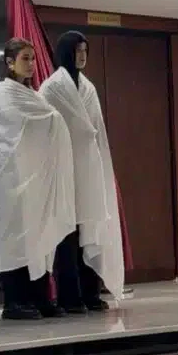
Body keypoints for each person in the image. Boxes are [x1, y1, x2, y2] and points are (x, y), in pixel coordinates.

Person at [0, 39, 75, 321]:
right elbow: (22, 122)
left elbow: (47, 120)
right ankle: (14, 302)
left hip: (37, 177)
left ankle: (39, 297)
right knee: (16, 236)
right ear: (10, 62)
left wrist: (51, 119)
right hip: (15, 176)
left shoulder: (35, 95)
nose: (31, 64)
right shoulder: (2, 92)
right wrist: (51, 119)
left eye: (33, 59)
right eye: (25, 58)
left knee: (39, 235)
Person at [40, 31, 124, 312]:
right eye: (77, 50)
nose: (82, 56)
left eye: (85, 50)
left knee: (91, 226)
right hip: (64, 168)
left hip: (88, 168)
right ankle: (69, 296)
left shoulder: (88, 88)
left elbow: (96, 130)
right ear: (66, 52)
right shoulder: (51, 88)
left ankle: (90, 292)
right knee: (66, 233)